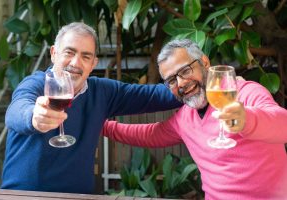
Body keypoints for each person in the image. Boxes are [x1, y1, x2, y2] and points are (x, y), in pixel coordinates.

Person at [1, 22, 182, 194]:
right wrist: (33, 116)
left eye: (85, 56)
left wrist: (197, 85)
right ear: (54, 53)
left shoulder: (102, 92)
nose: (75, 63)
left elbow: (156, 96)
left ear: (93, 63)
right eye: (69, 52)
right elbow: (16, 111)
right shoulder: (34, 84)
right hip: (24, 195)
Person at [102, 39, 287, 199]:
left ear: (204, 62)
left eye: (185, 70)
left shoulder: (246, 92)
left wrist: (247, 119)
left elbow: (283, 125)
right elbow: (150, 134)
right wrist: (102, 127)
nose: (181, 83)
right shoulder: (185, 118)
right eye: (172, 80)